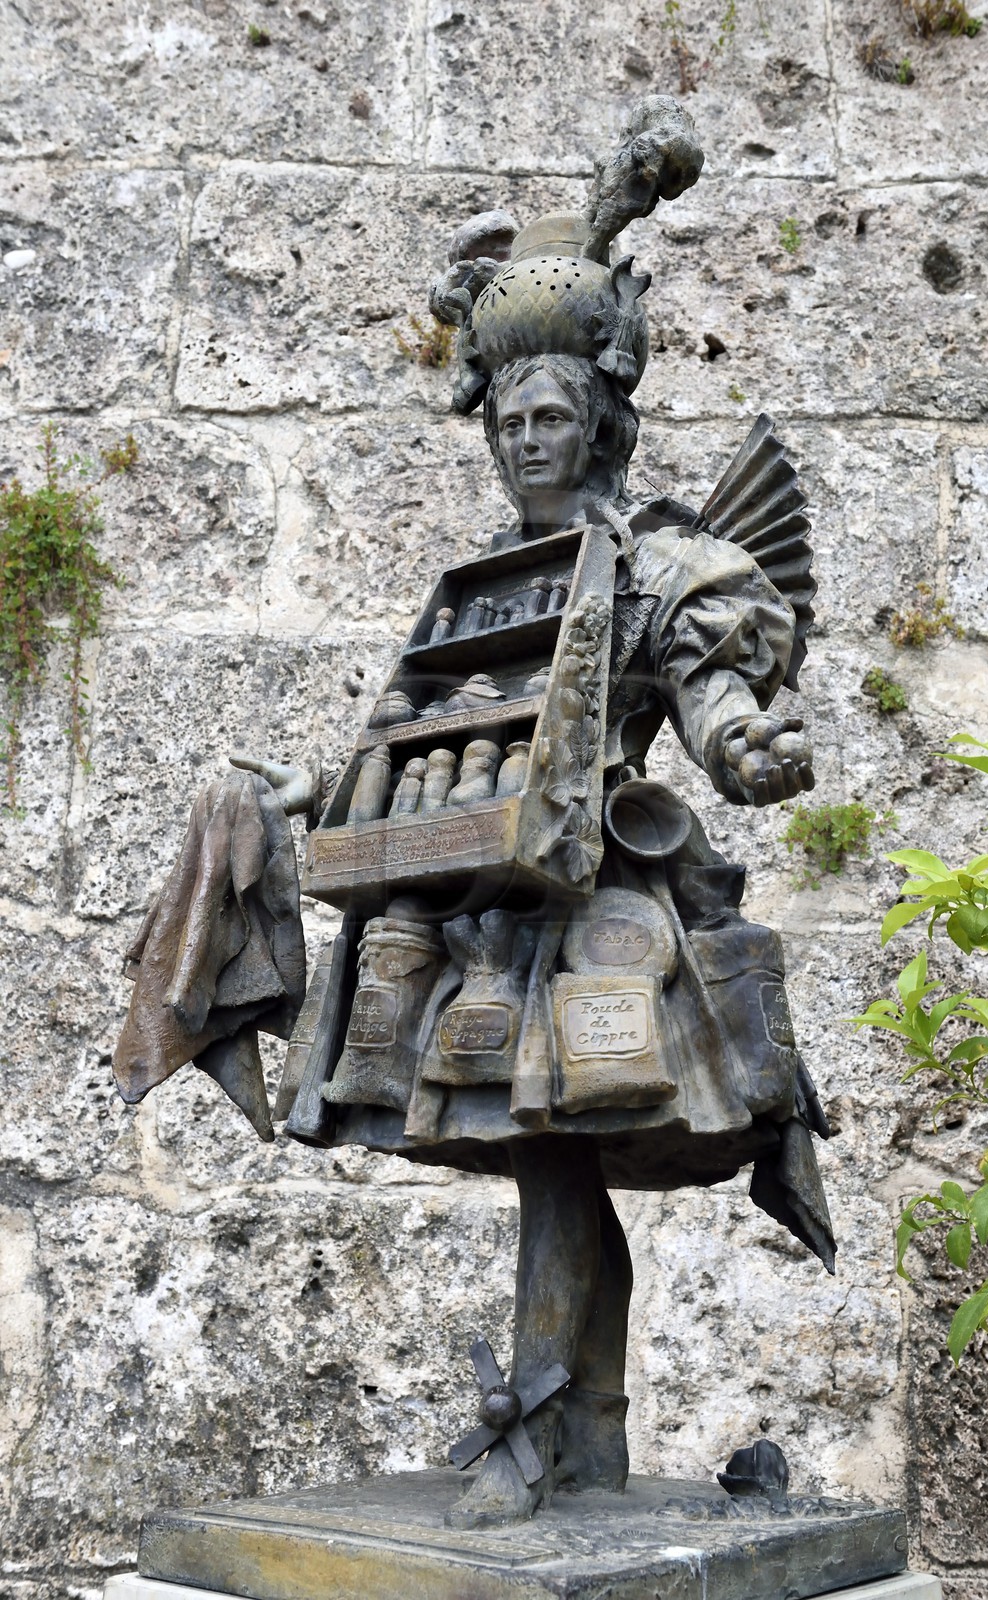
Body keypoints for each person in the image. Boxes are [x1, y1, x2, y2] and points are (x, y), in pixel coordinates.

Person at [115, 100, 834, 1532]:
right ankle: (568, 1437)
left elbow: (706, 707)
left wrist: (747, 742)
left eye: (550, 417)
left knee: (559, 1162)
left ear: (605, 418)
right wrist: (291, 799)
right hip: (464, 906)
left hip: (591, 912)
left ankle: (549, 1430)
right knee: (538, 1173)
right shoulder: (489, 580)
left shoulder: (663, 566)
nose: (524, 444)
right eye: (505, 424)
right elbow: (420, 741)